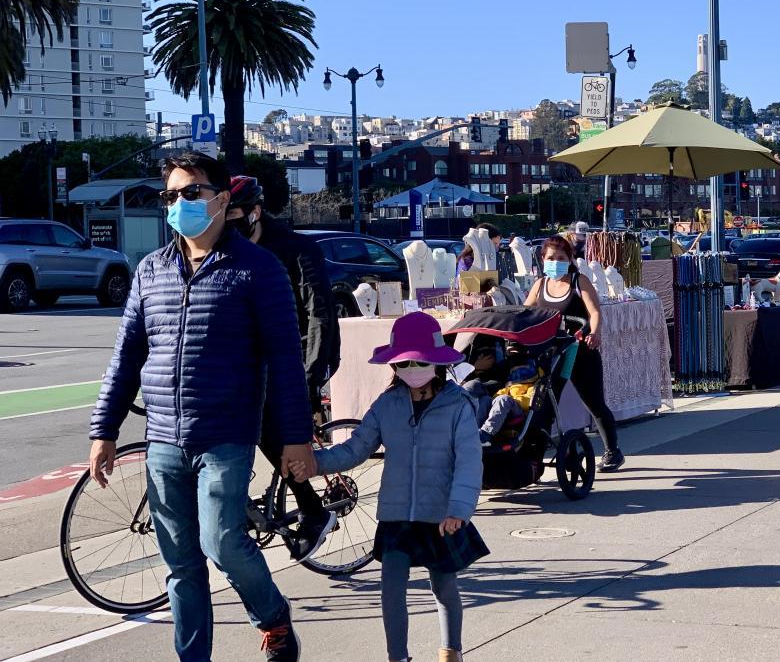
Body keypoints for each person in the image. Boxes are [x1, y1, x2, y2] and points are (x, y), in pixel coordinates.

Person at [89, 152, 312, 660]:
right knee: (181, 567)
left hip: (226, 436)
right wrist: (104, 429)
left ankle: (274, 618)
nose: (179, 204)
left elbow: (284, 358)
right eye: (170, 196)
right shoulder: (150, 271)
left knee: (222, 543)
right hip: (164, 439)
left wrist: (296, 437)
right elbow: (126, 357)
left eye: (191, 193)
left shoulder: (259, 269)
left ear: (222, 199)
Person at [289, 312, 486, 662]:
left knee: (443, 585)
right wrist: (316, 463)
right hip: (396, 514)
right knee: (391, 589)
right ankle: (398, 657)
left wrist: (459, 509)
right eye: (403, 363)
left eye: (418, 361)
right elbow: (356, 448)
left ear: (436, 362)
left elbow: (469, 462)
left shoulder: (458, 406)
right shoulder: (387, 405)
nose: (411, 368)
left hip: (441, 513)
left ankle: (451, 650)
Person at [225, 175, 340, 561]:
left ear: (255, 213)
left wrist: (307, 380)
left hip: (302, 356)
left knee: (270, 430)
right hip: (253, 360)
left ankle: (313, 510)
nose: (226, 225)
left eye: (234, 215)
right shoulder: (228, 252)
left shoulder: (296, 249)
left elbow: (319, 316)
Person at [524, 236, 624, 471]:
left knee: (594, 402)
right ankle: (534, 454)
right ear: (543, 259)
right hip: (551, 352)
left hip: (579, 350)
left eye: (561, 258)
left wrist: (595, 332)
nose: (555, 262)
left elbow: (595, 313)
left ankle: (612, 451)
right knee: (546, 403)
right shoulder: (540, 285)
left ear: (569, 260)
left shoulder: (580, 282)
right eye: (551, 258)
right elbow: (526, 312)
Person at [477, 358, 539, 446]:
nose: (520, 376)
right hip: (503, 411)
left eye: (523, 372)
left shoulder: (532, 386)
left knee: (504, 399)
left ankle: (486, 434)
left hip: (518, 414)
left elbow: (528, 402)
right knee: (485, 399)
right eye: (516, 373)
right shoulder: (509, 387)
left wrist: (511, 399)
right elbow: (495, 396)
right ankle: (475, 430)